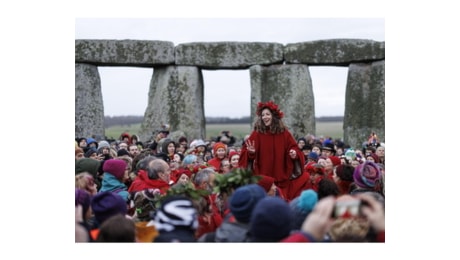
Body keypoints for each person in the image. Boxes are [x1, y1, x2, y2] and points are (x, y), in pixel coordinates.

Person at [238, 101, 307, 201]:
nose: (265, 117)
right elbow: (246, 152)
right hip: (263, 179)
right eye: (262, 115)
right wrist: (251, 153)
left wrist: (294, 153)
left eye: (267, 114)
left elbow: (294, 148)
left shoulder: (284, 133)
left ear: (274, 116)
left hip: (281, 179)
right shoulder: (257, 133)